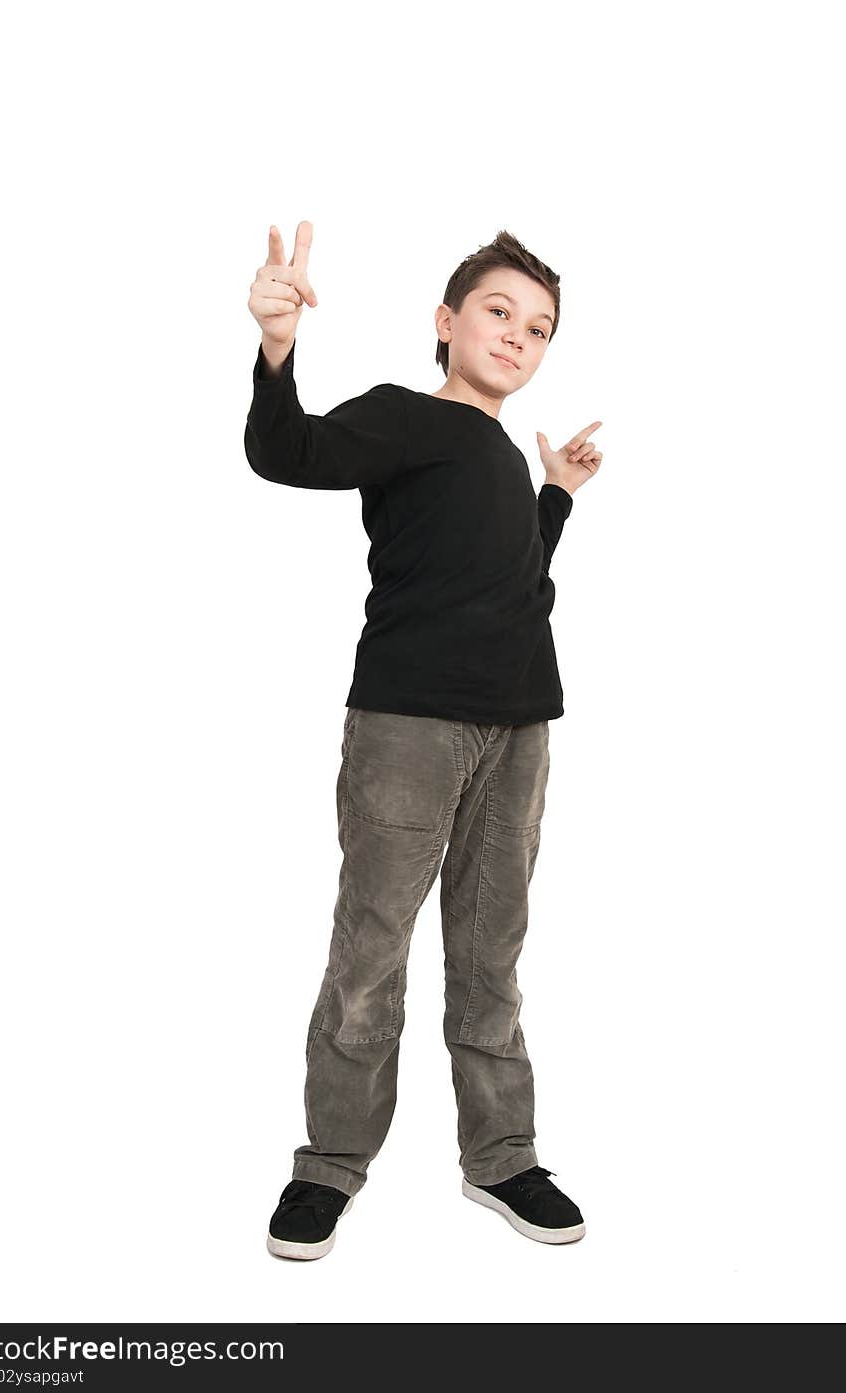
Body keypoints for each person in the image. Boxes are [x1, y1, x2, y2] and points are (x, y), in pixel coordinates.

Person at [244, 221, 603, 1260]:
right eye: (497, 311)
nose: (517, 335)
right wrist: (276, 347)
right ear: (446, 323)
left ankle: (502, 1155)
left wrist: (556, 497)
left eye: (538, 327)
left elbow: (515, 583)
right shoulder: (405, 419)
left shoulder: (497, 452)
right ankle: (330, 1164)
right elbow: (288, 452)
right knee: (372, 947)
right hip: (407, 723)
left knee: (491, 951)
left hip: (520, 726)